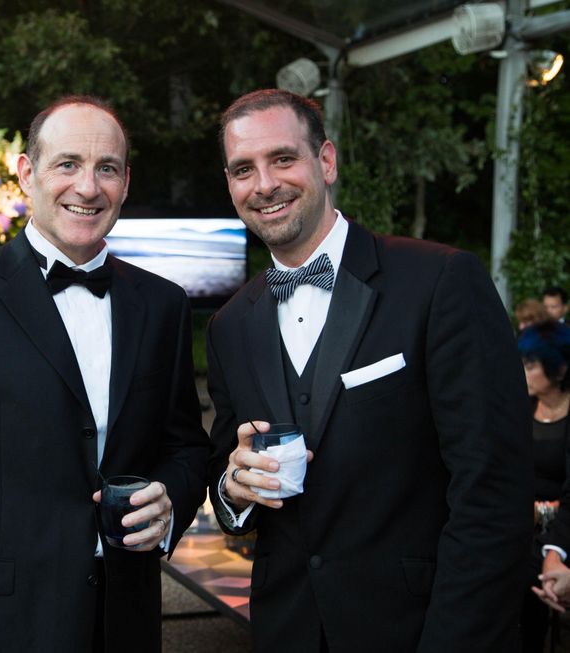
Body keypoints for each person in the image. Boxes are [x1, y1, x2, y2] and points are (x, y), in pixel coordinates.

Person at [206, 89, 533, 652]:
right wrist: (234, 489)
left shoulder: (439, 282)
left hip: (418, 630)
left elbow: (493, 494)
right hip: (289, 631)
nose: (264, 184)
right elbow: (224, 481)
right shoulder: (231, 324)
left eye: (282, 158)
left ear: (325, 162)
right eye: (243, 169)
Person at [0, 95, 209, 652]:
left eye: (107, 168)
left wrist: (171, 501)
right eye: (67, 164)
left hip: (125, 622)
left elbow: (186, 447)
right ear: (26, 173)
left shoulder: (164, 304)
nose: (88, 187)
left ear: (126, 182)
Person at [518, 321, 570, 651]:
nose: (524, 373)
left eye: (531, 365)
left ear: (558, 368)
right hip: (523, 531)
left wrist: (547, 519)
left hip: (563, 533)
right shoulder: (519, 410)